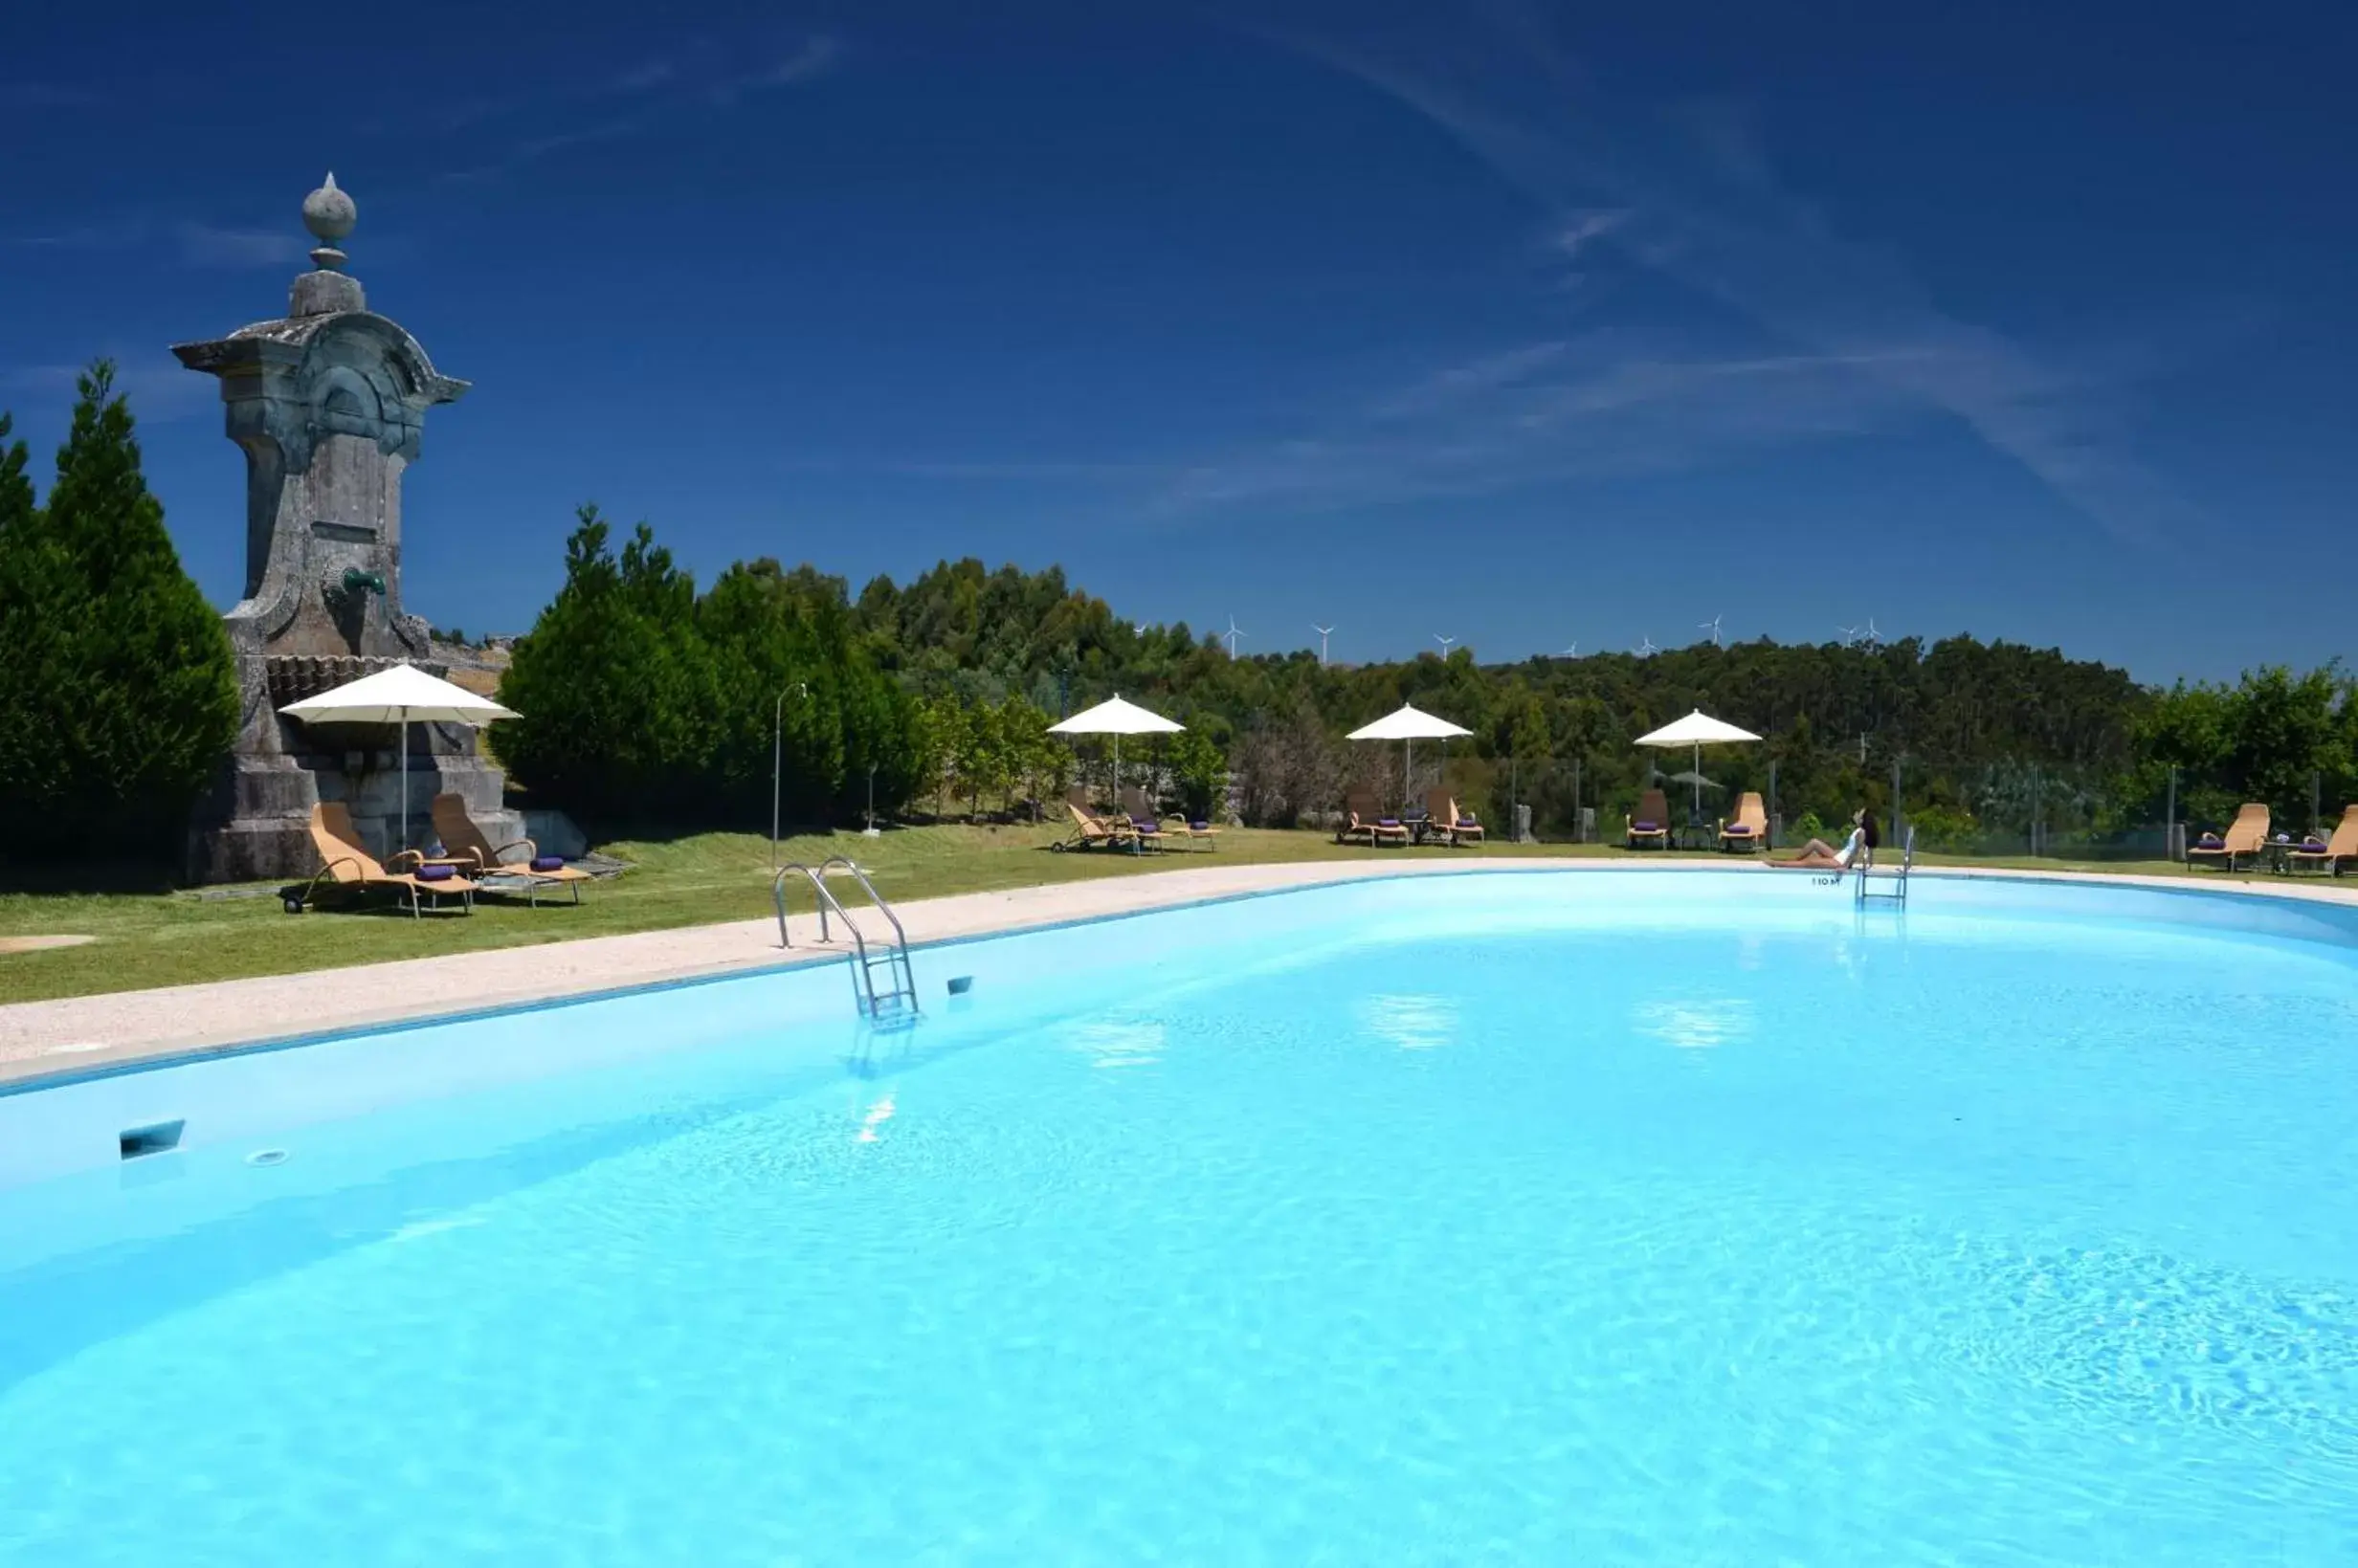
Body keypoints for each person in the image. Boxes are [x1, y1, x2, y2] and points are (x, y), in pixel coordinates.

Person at [1772, 808, 1877, 870]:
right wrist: (1870, 865)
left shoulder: (1861, 832)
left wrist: (1844, 866)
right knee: (1814, 843)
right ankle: (1793, 861)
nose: (1857, 815)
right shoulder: (1860, 830)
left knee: (1809, 863)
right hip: (1840, 856)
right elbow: (1869, 849)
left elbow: (1854, 851)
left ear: (1863, 819)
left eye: (1860, 814)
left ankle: (1778, 864)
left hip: (1840, 862)